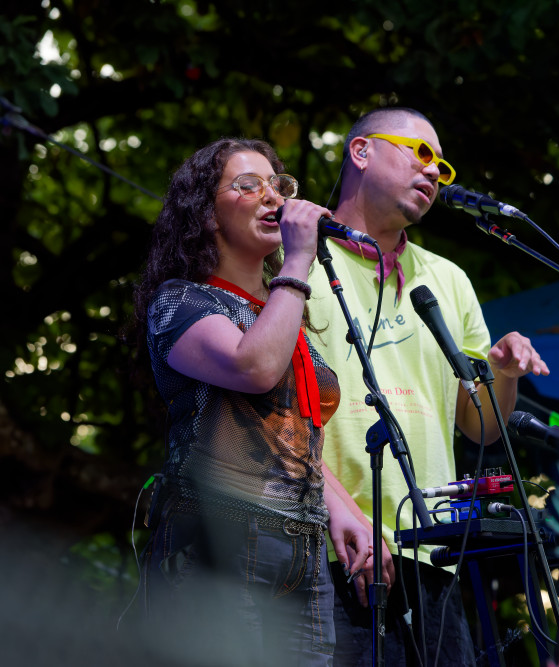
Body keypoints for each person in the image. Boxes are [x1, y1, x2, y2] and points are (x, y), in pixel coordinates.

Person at [304, 107, 550, 665]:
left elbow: (483, 426)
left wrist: (504, 375)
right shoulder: (296, 261)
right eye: (420, 154)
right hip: (330, 545)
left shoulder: (447, 278)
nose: (434, 172)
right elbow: (271, 418)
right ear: (361, 152)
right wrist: (342, 513)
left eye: (442, 165)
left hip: (432, 548)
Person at [131, 137, 370, 667]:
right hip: (216, 539)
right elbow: (254, 368)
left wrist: (341, 509)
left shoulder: (284, 316)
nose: (273, 197)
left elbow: (290, 432)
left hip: (302, 554)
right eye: (248, 186)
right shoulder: (181, 300)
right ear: (206, 213)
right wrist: (301, 258)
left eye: (278, 186)